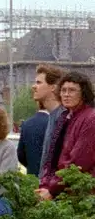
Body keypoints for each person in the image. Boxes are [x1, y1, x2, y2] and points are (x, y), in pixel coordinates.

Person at [40, 72, 95, 201]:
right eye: (63, 90)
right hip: (61, 188)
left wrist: (51, 189)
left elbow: (78, 162)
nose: (66, 94)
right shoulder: (64, 117)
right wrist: (45, 185)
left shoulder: (90, 119)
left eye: (72, 90)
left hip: (80, 193)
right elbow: (52, 156)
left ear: (83, 93)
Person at [19, 65, 65, 177]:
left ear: (53, 87)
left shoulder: (64, 118)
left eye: (39, 83)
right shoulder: (53, 117)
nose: (34, 86)